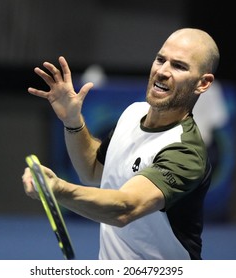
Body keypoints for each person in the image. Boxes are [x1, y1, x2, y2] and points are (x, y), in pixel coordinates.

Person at [22, 28, 220, 260]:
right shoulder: (133, 113)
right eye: (160, 60)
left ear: (203, 83)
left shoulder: (185, 152)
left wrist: (56, 189)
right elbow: (93, 170)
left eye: (179, 66)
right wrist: (73, 121)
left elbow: (125, 207)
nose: (162, 71)